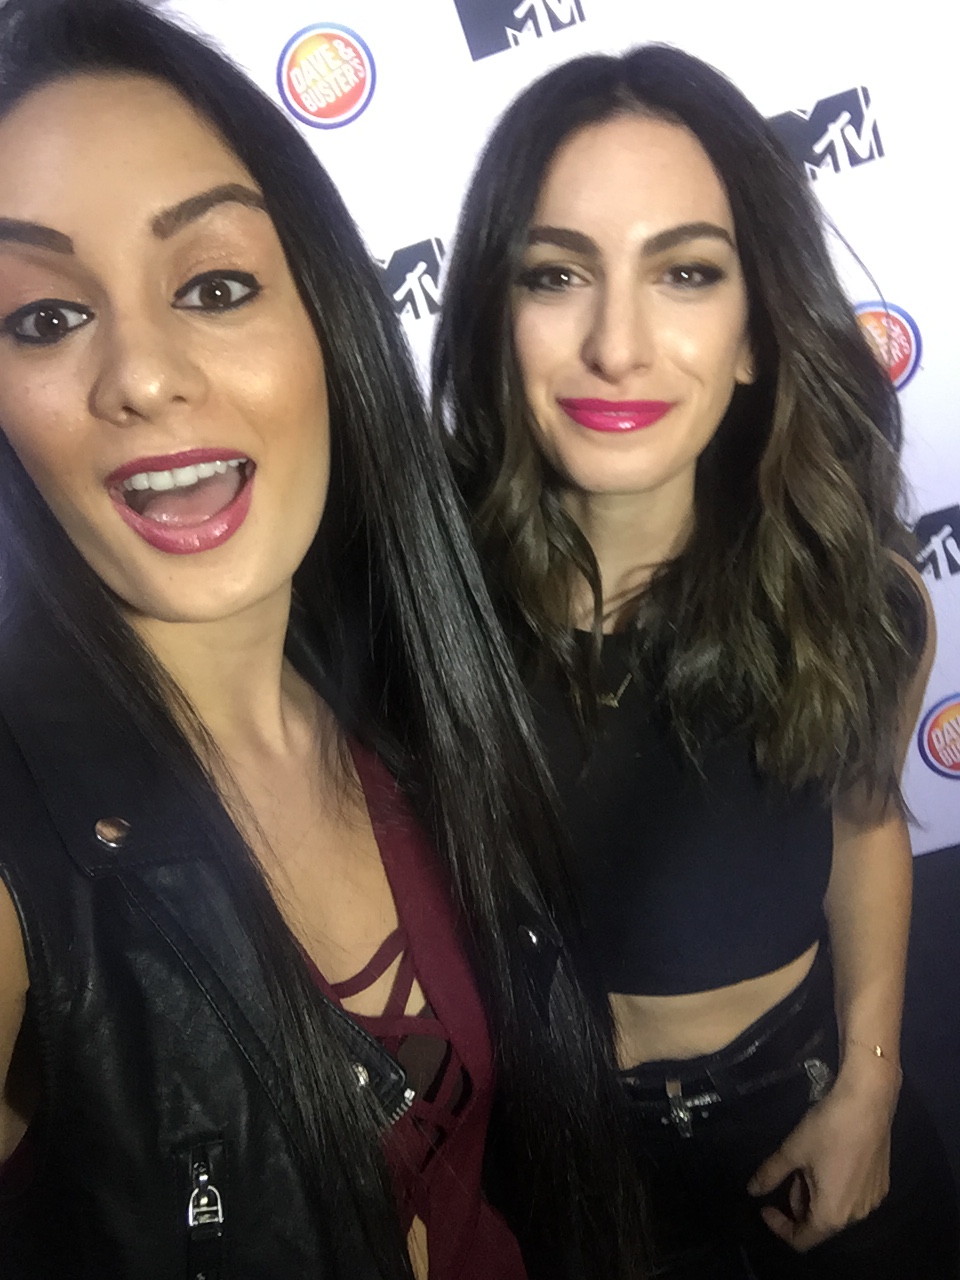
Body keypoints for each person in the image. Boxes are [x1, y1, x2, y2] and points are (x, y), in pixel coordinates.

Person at [0, 3, 648, 1277]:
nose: (141, 374)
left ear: (326, 322)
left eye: (215, 286)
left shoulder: (402, 696)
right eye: (44, 318)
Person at [434, 44, 959, 1279]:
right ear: (497, 317)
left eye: (686, 271)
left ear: (756, 332)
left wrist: (871, 1083)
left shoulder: (858, 599)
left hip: (807, 1116)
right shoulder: (417, 610)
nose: (618, 344)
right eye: (557, 273)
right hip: (551, 1172)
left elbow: (866, 824)